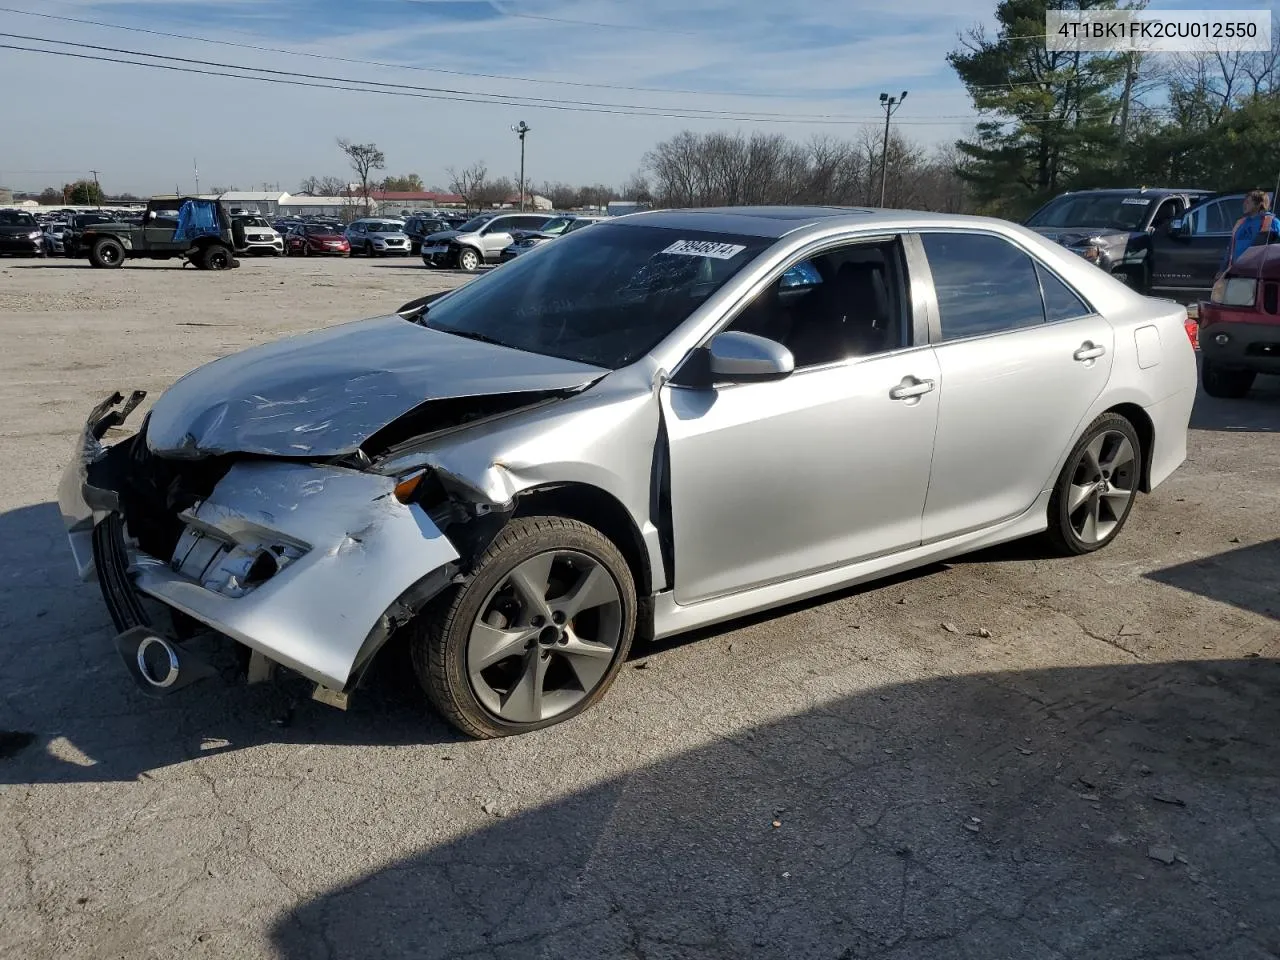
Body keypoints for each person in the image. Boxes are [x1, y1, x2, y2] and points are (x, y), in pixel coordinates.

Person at [1218, 189, 1279, 275]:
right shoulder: (1240, 222)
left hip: (1258, 274)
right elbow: (1231, 248)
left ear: (1259, 204)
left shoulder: (1271, 222)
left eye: (1248, 202)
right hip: (1236, 272)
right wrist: (1222, 269)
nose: (1244, 204)